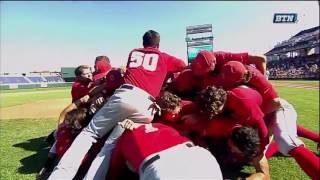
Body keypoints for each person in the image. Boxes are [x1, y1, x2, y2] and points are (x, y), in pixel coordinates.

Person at [48, 30, 186, 179]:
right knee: (110, 146)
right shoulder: (163, 56)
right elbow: (182, 65)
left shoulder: (134, 52)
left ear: (143, 43)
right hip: (148, 107)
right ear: (158, 44)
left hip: (126, 95)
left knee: (89, 134)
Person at [105, 120, 223, 180]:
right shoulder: (160, 125)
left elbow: (114, 169)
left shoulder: (124, 137)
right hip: (196, 154)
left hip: (160, 167)